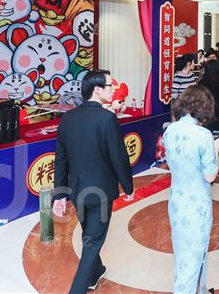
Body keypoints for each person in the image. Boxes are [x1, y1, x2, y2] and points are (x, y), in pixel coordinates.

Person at [53, 69, 134, 293]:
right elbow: (118, 156)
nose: (113, 89)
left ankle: (95, 273)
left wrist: (60, 194)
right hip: (101, 192)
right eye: (109, 85)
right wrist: (128, 186)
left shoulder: (68, 118)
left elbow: (60, 160)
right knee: (92, 243)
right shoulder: (107, 118)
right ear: (97, 90)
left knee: (89, 234)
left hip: (77, 190)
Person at [163, 85, 219, 294]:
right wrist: (215, 149)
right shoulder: (203, 135)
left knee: (185, 256)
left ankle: (201, 289)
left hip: (177, 201)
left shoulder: (170, 130)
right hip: (196, 205)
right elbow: (210, 175)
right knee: (192, 261)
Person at [198, 60, 219, 138]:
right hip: (218, 116)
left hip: (203, 115)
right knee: (218, 139)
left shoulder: (200, 83)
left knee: (204, 138)